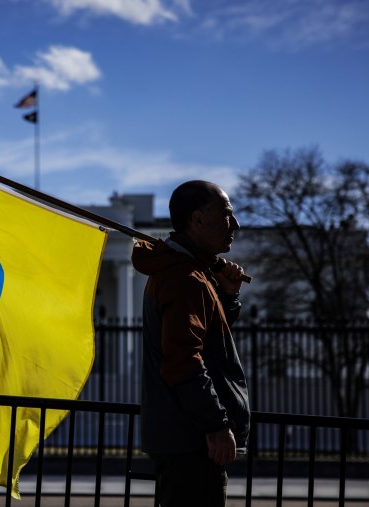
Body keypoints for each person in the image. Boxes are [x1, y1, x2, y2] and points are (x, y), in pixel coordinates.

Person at [132, 180, 250, 507]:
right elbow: (183, 360)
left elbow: (206, 343)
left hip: (184, 438)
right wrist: (215, 425)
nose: (235, 225)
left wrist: (226, 296)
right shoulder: (185, 278)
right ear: (198, 220)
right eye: (227, 215)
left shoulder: (189, 274)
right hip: (192, 442)